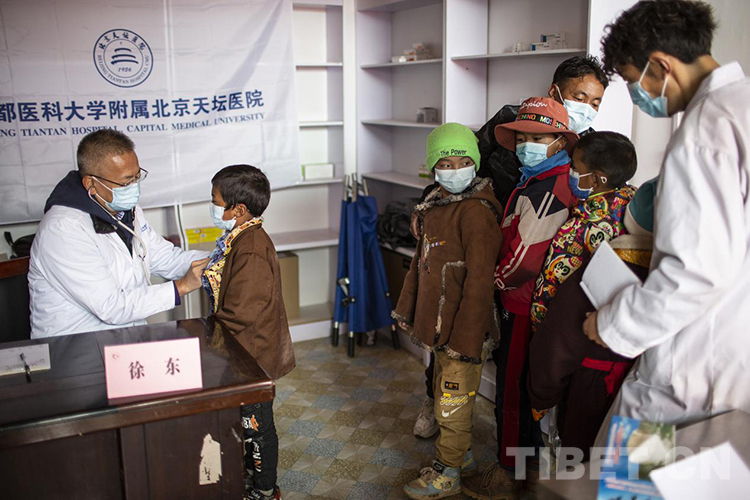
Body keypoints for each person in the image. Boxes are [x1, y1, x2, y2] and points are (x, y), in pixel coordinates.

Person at [412, 55, 609, 440]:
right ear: (555, 91)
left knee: (515, 362)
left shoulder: (588, 147)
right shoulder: (510, 122)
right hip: (479, 244)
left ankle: (514, 443)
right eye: (579, 97)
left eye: (595, 102)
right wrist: (427, 205)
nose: (586, 108)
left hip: (529, 268)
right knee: (451, 331)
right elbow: (460, 164)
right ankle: (435, 401)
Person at [582, 0, 750, 440]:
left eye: (631, 80)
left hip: (692, 371)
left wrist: (611, 324)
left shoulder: (703, 133)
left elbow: (694, 272)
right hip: (735, 356)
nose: (636, 94)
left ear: (660, 66)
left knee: (630, 471)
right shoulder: (742, 106)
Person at [462, 97, 578, 500]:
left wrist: (492, 282)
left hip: (522, 302)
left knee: (512, 391)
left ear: (560, 142)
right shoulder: (536, 178)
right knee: (524, 389)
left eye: (539, 138)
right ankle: (527, 468)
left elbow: (524, 260)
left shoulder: (550, 188)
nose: (528, 145)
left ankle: (508, 473)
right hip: (528, 301)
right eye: (523, 137)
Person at [392, 123, 503, 500]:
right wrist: (407, 310)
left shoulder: (476, 212)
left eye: (462, 162)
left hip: (463, 334)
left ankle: (448, 472)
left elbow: (480, 283)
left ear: (475, 163)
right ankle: (461, 457)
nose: (454, 170)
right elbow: (420, 265)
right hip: (441, 330)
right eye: (445, 163)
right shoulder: (435, 207)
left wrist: (466, 339)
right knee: (444, 397)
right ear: (432, 168)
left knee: (452, 405)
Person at [28, 129, 209, 338]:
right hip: (78, 346)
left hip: (125, 338)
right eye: (125, 182)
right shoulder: (63, 229)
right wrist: (182, 286)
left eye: (137, 177)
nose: (134, 187)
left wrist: (221, 259)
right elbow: (111, 306)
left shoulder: (126, 212)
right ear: (91, 184)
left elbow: (166, 258)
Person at [527, 177, 657, 463]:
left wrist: (542, 395)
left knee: (582, 466)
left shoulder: (602, 269)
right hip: (655, 398)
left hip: (594, 391)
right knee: (632, 472)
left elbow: (558, 341)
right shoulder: (679, 281)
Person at [203, 164, 295, 500]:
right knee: (246, 423)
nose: (212, 207)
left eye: (215, 202)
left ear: (238, 210)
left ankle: (265, 489)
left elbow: (241, 311)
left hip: (252, 355)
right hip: (243, 351)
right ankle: (250, 474)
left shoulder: (252, 247)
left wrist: (209, 336)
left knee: (257, 427)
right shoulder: (241, 237)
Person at [530, 131, 638, 331]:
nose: (570, 171)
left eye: (575, 167)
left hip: (567, 326)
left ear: (596, 180)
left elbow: (556, 280)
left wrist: (541, 323)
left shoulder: (585, 227)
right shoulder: (630, 208)